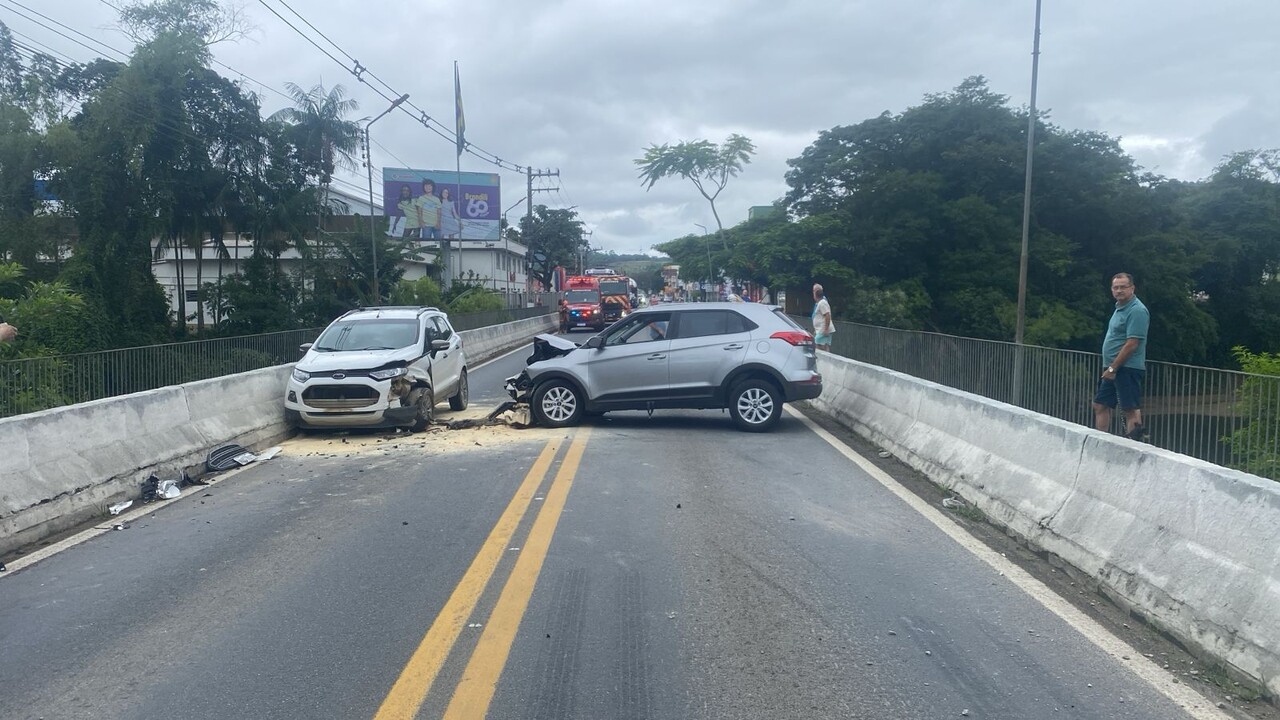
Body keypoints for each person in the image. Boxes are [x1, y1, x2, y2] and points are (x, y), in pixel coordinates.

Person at [1092, 272, 1150, 440]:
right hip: (1113, 367)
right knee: (1100, 404)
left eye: (1123, 287)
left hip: (1126, 367)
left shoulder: (1137, 310)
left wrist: (1113, 368)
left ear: (1132, 288)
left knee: (1130, 408)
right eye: (1115, 287)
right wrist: (1111, 368)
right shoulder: (1119, 308)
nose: (1119, 291)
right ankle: (1102, 441)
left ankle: (1134, 445)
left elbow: (1132, 343)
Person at [811, 283, 833, 351]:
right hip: (820, 329)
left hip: (823, 329)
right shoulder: (819, 303)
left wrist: (826, 329)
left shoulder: (822, 303)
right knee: (823, 346)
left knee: (818, 345)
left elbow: (827, 315)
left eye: (814, 291)